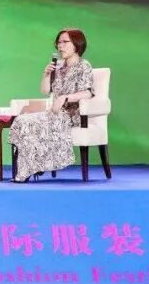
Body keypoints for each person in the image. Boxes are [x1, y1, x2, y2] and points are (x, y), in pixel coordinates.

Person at [9, 28, 95, 182]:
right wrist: (46, 74)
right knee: (22, 120)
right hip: (53, 113)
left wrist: (65, 98)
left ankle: (28, 171)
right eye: (59, 43)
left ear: (77, 44)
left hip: (71, 116)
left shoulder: (84, 65)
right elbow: (45, 90)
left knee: (30, 123)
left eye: (65, 42)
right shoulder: (58, 66)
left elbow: (88, 92)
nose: (60, 46)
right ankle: (31, 167)